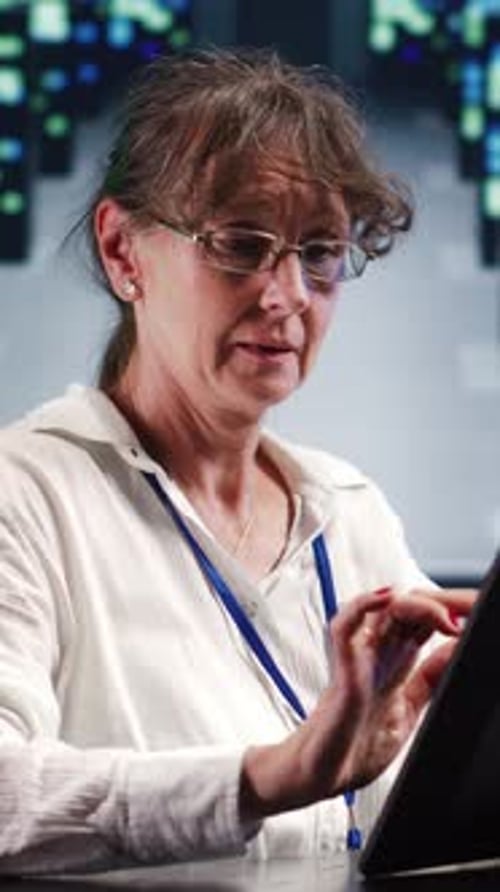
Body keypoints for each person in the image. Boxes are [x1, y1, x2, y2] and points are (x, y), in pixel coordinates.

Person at [0, 46, 473, 875]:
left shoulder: (350, 508)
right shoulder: (27, 495)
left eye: (320, 251)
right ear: (122, 252)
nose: (287, 294)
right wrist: (279, 772)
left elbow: (393, 823)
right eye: (242, 244)